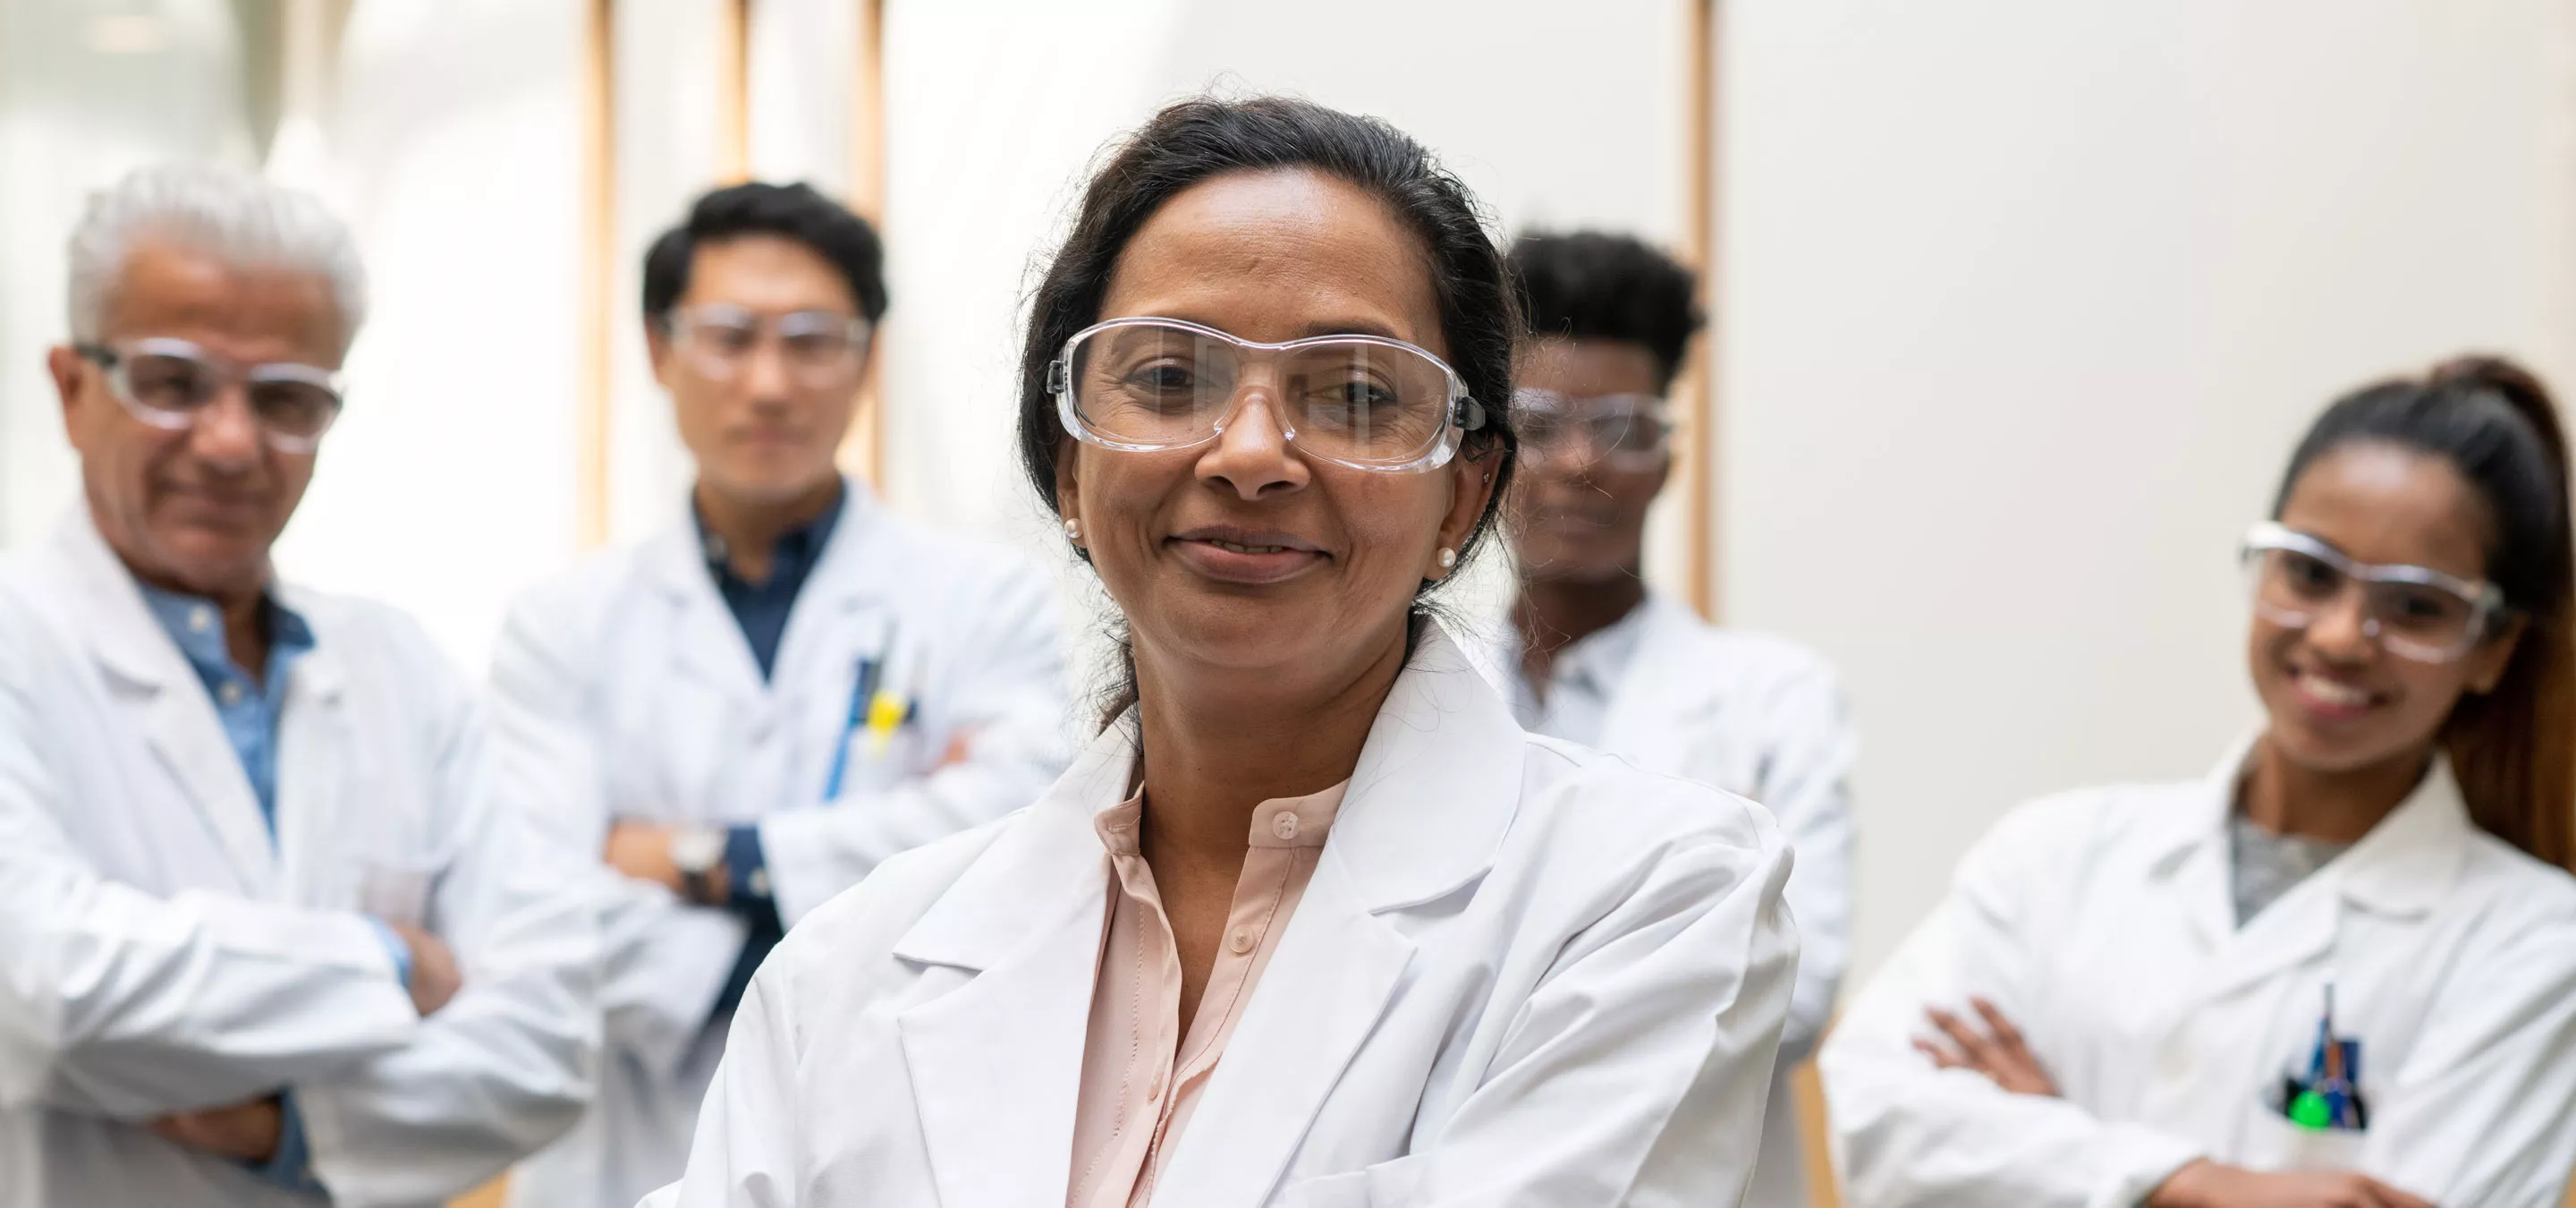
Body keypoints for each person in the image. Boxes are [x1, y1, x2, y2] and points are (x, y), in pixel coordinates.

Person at [639, 96, 1800, 1207]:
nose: (1250, 452)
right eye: (1167, 377)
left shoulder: (1649, 900)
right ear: (1068, 463)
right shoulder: (849, 968)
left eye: (1355, 393)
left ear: (1463, 491)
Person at [1822, 357, 2576, 1207]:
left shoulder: (2534, 945)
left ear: (2493, 650)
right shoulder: (2054, 857)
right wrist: (2189, 1184)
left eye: (2416, 607)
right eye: (2311, 573)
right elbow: (1876, 1123)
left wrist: (2047, 1145)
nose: (2340, 637)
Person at [0, 165, 599, 1204]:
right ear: (71, 389)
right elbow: (42, 991)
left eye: (285, 400)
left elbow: (550, 1043)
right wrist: (394, 964)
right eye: (174, 383)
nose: (232, 444)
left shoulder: (402, 669)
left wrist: (285, 1127)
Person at [489, 182, 1072, 1208]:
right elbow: (537, 911)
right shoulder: (561, 627)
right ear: (659, 351)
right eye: (729, 337)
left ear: (866, 360)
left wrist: (705, 859)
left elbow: (1019, 845)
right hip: (631, 1159)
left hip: (898, 1153)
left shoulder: (987, 603)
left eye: (812, 341)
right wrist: (859, 938)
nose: (768, 383)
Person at [1495, 229, 1855, 1207]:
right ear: (1488, 451)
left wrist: (1490, 978)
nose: (1582, 461)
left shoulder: (1775, 699)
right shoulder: (1414, 695)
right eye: (1540, 423)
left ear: (1667, 459)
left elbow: (1794, 998)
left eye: (1622, 426)